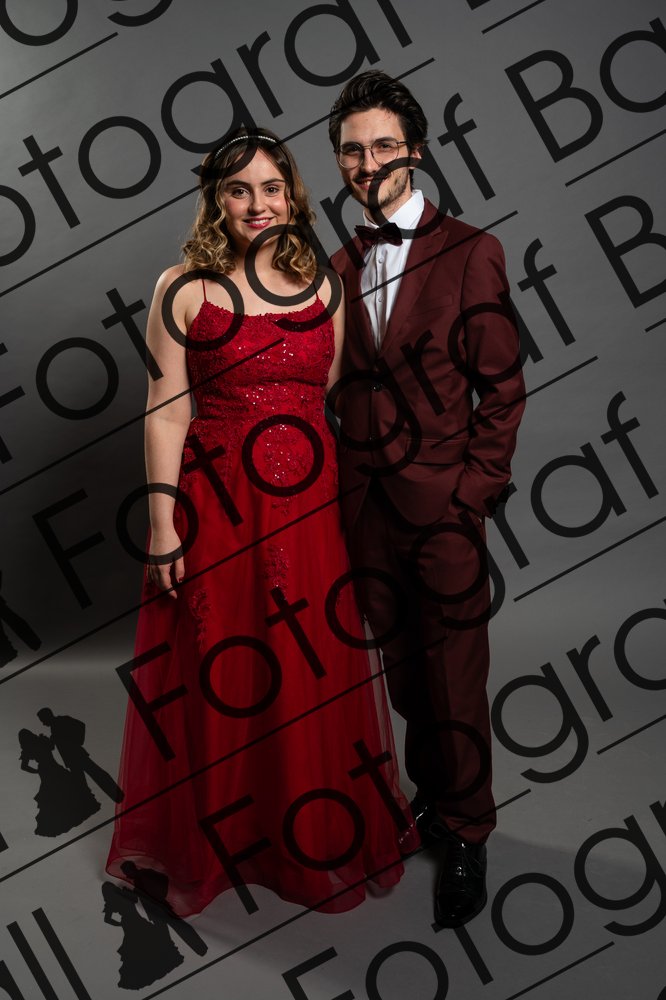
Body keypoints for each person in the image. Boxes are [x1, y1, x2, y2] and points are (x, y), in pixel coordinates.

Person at [105, 126, 414, 918]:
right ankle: (220, 842)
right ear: (217, 199)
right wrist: (163, 526)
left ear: (292, 195)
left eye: (271, 188)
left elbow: (337, 397)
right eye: (238, 189)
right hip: (215, 509)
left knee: (306, 666)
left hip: (308, 513)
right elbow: (166, 411)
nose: (256, 204)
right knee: (221, 668)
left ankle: (303, 837)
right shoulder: (184, 286)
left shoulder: (324, 286)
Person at [328, 71, 526, 926]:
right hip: (365, 508)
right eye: (352, 150)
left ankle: (470, 832)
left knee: (455, 681)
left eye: (383, 145)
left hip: (443, 506)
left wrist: (471, 497)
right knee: (407, 677)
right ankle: (434, 802)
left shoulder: (472, 250)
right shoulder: (340, 263)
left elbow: (503, 387)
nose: (367, 162)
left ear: (415, 149)